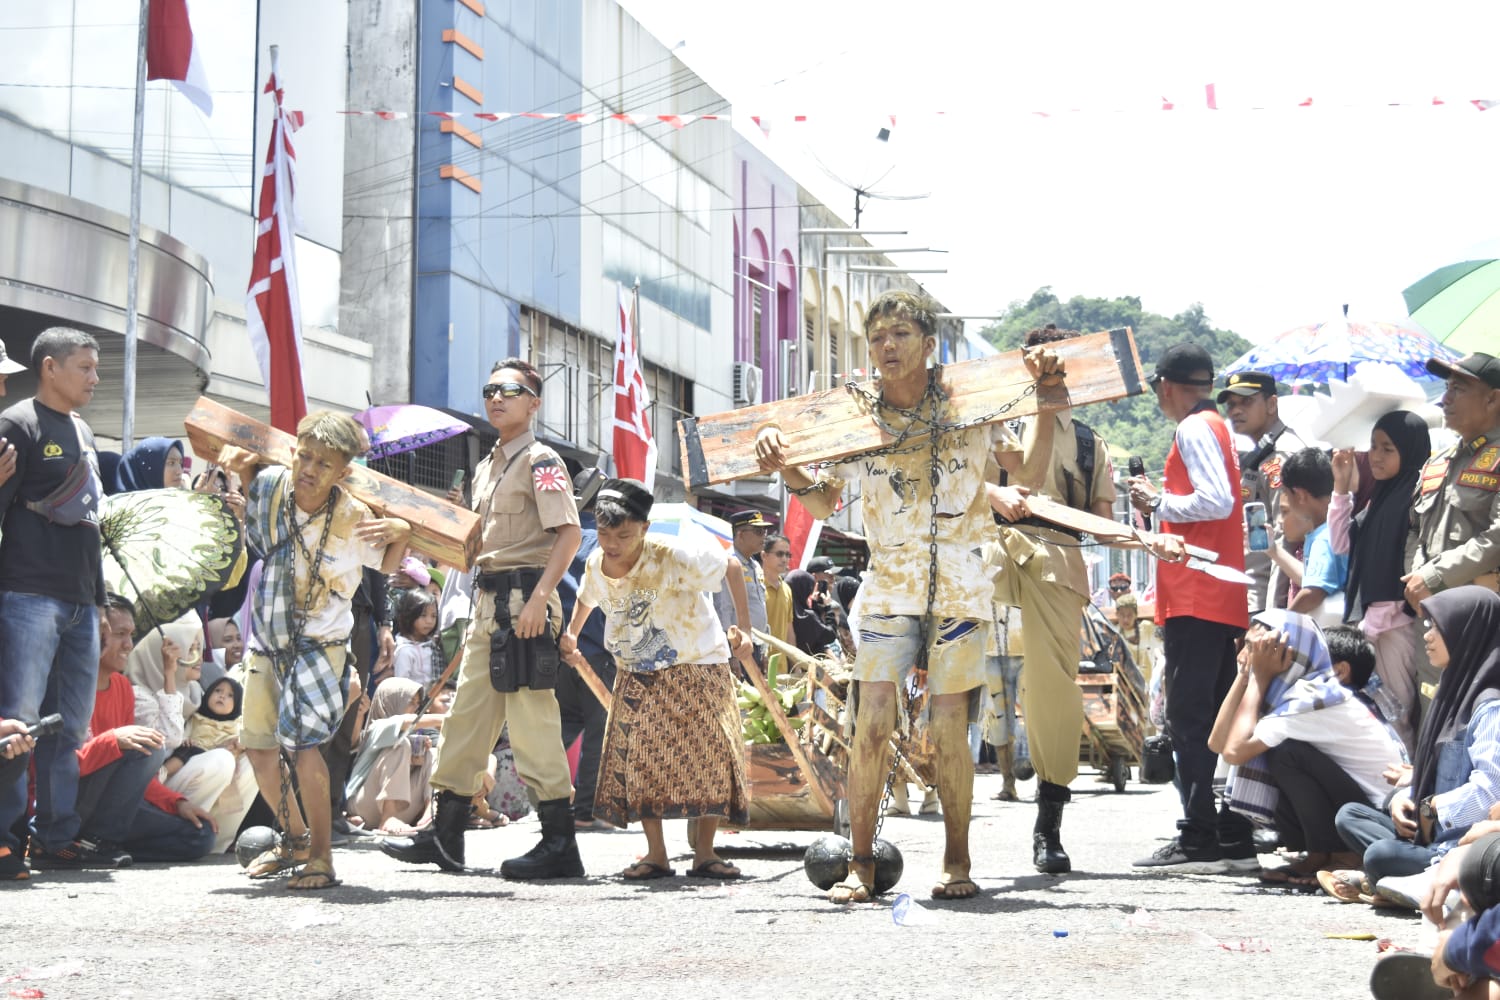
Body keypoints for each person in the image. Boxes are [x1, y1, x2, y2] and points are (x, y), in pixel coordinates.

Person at [755, 289, 1057, 902]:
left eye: (899, 335)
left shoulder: (973, 404)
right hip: (888, 581)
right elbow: (821, 500)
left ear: (929, 345)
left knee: (950, 724)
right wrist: (784, 466)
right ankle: (861, 869)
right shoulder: (856, 416)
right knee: (870, 721)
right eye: (878, 338)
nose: (887, 347)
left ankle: (957, 862)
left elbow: (1023, 474)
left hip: (961, 581)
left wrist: (1048, 404)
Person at [383, 358, 584, 879]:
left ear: (533, 403)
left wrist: (542, 598)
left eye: (511, 390)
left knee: (532, 722)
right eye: (490, 389)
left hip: (525, 600)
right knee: (466, 719)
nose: (497, 398)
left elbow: (568, 534)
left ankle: (560, 843)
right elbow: (475, 553)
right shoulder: (487, 464)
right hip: (488, 602)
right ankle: (445, 836)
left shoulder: (541, 460)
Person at [217, 410, 412, 890]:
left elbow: (385, 564)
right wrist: (240, 472)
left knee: (305, 748)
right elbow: (256, 532)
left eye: (324, 464)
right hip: (267, 639)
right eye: (304, 456)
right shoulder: (268, 489)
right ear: (292, 451)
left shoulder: (354, 516)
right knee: (260, 748)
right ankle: (297, 839)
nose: (309, 468)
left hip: (321, 644)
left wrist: (402, 536)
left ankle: (322, 857)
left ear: (342, 473)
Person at [560, 478, 752, 879]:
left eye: (624, 535)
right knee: (643, 763)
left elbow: (732, 566)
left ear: (644, 529)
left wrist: (744, 630)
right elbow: (587, 596)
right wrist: (572, 633)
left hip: (698, 663)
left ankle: (705, 854)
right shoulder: (597, 561)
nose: (613, 544)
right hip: (638, 672)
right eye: (607, 534)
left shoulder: (674, 556)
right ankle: (656, 854)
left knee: (710, 758)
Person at [990, 322, 1117, 874]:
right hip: (985, 556)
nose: (1049, 372)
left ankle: (1049, 824)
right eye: (1040, 363)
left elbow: (1105, 525)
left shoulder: (1091, 443)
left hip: (1054, 561)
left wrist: (1154, 530)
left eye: (1060, 365)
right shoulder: (992, 420)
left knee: (1050, 693)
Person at [1127, 342, 1254, 874]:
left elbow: (1217, 499)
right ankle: (1228, 831)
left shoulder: (1194, 428)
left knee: (1189, 717)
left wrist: (1157, 502)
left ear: (1166, 386)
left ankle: (1200, 833)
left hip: (1198, 592)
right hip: (1217, 592)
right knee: (1215, 718)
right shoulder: (1219, 427)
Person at [0, 326, 111, 871]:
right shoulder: (16, 423)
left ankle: (56, 836)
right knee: (16, 726)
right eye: (85, 367)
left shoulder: (84, 430)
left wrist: (100, 601)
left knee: (68, 727)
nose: (95, 377)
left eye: (95, 367)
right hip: (27, 596)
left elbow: (91, 524)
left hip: (80, 603)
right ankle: (5, 839)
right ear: (50, 367)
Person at [1209, 613, 1403, 888]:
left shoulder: (1314, 695)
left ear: (1291, 653)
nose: (1247, 655)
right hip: (1356, 806)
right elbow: (1218, 744)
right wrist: (1245, 675)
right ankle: (1320, 854)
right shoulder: (1288, 693)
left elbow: (1233, 751)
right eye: (1249, 647)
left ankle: (1345, 855)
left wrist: (1258, 678)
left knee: (1286, 754)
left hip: (1376, 817)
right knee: (1271, 750)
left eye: (1259, 648)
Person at [1329, 586, 1500, 899]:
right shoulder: (1452, 691)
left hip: (1460, 841)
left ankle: (1392, 882)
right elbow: (1431, 774)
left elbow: (1491, 791)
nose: (1427, 636)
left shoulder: (1490, 708)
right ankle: (1391, 884)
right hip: (1431, 831)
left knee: (1380, 855)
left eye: (1437, 627)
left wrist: (1433, 807)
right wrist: (1404, 798)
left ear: (1466, 633)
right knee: (1350, 815)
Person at [69, 595, 218, 864]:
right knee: (149, 744)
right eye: (119, 634)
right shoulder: (68, 685)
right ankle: (93, 843)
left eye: (131, 635)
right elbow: (58, 770)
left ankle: (103, 846)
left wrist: (176, 803)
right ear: (95, 632)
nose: (128, 645)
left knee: (201, 835)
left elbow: (132, 776)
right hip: (74, 802)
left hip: (114, 809)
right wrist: (112, 740)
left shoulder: (122, 688)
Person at [1330, 410, 1432, 752]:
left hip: (1395, 627)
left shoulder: (1416, 499)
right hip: (1373, 626)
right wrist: (1340, 488)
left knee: (1396, 714)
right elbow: (1341, 543)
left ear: (1409, 450)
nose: (1376, 455)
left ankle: (1404, 789)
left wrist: (1374, 624)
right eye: (1373, 446)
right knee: (1376, 712)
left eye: (1388, 448)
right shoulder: (1381, 497)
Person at [1404, 353, 1500, 702]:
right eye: (1446, 388)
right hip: (1432, 613)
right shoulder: (1437, 462)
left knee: (1479, 718)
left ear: (1493, 398)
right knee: (1432, 707)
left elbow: (1497, 536)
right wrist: (1417, 580)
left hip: (1483, 619)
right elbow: (1414, 529)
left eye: (1458, 389)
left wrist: (1434, 577)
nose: (1445, 399)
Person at [1218, 370, 1310, 614]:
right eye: (1231, 404)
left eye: (1246, 401)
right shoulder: (1262, 452)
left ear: (1271, 404)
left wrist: (1272, 612)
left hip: (1265, 601)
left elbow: (1285, 538)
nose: (1236, 410)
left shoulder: (1281, 457)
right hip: (1251, 594)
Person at [555, 494, 617, 830]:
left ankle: (550, 804)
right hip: (597, 653)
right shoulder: (605, 545)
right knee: (599, 732)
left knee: (560, 726)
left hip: (558, 651)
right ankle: (586, 810)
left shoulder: (559, 538)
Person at [164, 667, 258, 853]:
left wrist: (239, 744)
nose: (222, 696)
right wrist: (186, 741)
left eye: (230, 695)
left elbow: (245, 739)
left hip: (227, 777)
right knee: (219, 759)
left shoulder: (235, 724)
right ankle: (192, 832)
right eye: (218, 691)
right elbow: (180, 739)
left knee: (257, 762)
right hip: (195, 770)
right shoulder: (196, 719)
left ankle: (219, 841)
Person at [347, 677, 442, 835]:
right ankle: (388, 817)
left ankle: (430, 813)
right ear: (392, 701)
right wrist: (448, 718)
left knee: (433, 752)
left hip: (402, 811)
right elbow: (403, 721)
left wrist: (418, 760)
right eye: (411, 702)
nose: (416, 708)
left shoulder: (412, 734)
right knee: (400, 745)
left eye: (418, 704)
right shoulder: (375, 727)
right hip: (364, 806)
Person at [1272, 448, 1348, 620]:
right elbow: (1311, 579)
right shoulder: (1332, 529)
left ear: (1300, 495)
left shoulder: (1324, 537)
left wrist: (1282, 623)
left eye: (1287, 494)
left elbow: (1313, 593)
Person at [713, 510, 771, 666]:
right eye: (758, 531)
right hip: (737, 646)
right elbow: (723, 609)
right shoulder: (729, 564)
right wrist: (731, 655)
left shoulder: (755, 565)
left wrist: (764, 649)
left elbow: (759, 607)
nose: (764, 536)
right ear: (740, 534)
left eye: (765, 531)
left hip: (755, 644)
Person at [390, 588, 443, 688]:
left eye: (434, 616)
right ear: (409, 616)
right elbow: (402, 686)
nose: (429, 621)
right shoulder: (404, 651)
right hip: (415, 701)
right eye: (423, 615)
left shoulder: (433, 644)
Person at [113, 436, 186, 493]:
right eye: (171, 463)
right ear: (147, 469)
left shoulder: (182, 505)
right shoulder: (121, 509)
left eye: (180, 463)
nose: (179, 471)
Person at [762, 533, 794, 647]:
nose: (785, 559)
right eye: (779, 554)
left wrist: (796, 663)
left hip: (781, 663)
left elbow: (789, 629)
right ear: (764, 556)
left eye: (788, 554)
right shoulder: (755, 586)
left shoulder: (787, 589)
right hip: (758, 661)